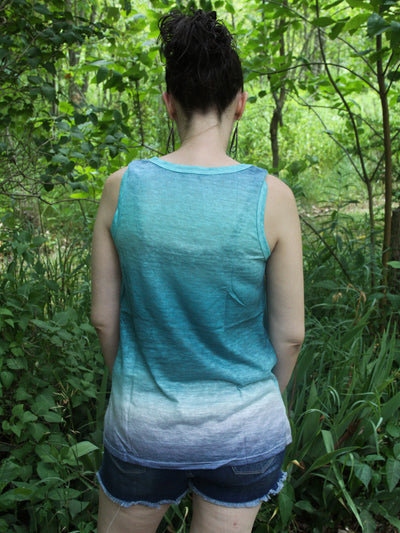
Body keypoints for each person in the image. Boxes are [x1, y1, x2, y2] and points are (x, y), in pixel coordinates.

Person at [91, 9, 304, 533]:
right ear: (241, 104)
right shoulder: (272, 197)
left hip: (144, 424)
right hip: (244, 429)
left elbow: (102, 318)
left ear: (169, 104)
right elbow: (292, 334)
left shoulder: (123, 187)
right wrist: (250, 406)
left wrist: (135, 386)